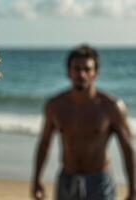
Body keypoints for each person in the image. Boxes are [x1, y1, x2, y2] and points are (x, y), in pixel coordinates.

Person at [32, 45, 135, 200]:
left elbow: (127, 148)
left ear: (96, 73)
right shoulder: (55, 106)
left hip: (99, 181)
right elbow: (44, 143)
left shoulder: (111, 107)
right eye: (77, 68)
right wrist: (36, 179)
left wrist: (133, 188)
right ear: (69, 71)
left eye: (87, 69)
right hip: (67, 178)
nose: (81, 74)